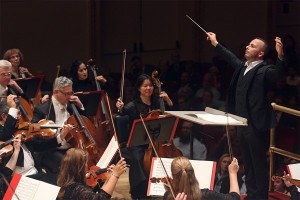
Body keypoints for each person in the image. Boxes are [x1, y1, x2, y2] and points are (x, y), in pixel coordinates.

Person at [206, 32, 284, 199]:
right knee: (248, 166)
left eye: (253, 46)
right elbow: (231, 57)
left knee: (258, 166)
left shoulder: (264, 69)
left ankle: (260, 197)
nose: (248, 46)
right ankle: (252, 195)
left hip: (256, 125)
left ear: (261, 53)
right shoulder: (243, 66)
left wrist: (280, 55)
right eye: (249, 44)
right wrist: (215, 43)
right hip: (241, 123)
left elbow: (278, 75)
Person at [116, 74, 173, 199]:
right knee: (138, 157)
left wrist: (168, 101)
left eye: (151, 85)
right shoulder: (133, 105)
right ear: (139, 88)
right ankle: (140, 190)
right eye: (145, 86)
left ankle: (163, 187)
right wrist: (119, 107)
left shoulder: (158, 102)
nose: (148, 88)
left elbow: (171, 115)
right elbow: (122, 112)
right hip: (138, 142)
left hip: (156, 142)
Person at [0, 95, 73, 185]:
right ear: (4, 117)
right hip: (20, 179)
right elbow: (5, 134)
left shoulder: (20, 129)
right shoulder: (3, 134)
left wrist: (60, 136)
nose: (19, 117)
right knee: (59, 182)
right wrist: (12, 108)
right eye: (16, 114)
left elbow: (39, 146)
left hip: (36, 173)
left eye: (19, 113)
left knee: (63, 179)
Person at [31, 76, 85, 175]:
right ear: (56, 92)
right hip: (52, 150)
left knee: (84, 158)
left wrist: (80, 105)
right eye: (66, 94)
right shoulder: (42, 110)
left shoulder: (71, 105)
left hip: (72, 146)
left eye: (71, 93)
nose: (69, 96)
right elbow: (35, 140)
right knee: (69, 165)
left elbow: (84, 123)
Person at [57, 148, 127, 200]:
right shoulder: (77, 189)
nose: (87, 166)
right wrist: (115, 175)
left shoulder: (70, 185)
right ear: (80, 167)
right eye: (85, 163)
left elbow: (99, 195)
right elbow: (102, 198)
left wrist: (109, 178)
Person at [163, 156, 240, 200]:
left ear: (173, 176)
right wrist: (233, 173)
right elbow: (234, 198)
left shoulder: (168, 196)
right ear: (193, 173)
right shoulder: (207, 195)